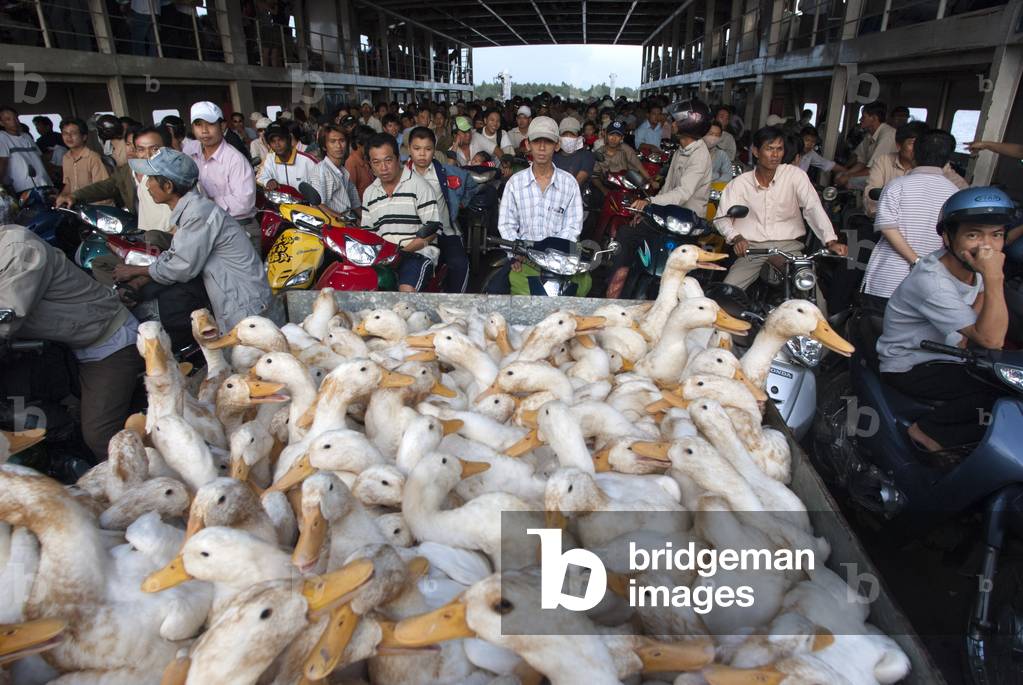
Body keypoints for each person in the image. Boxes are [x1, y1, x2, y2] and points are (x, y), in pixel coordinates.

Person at [877, 187, 1014, 452]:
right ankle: (927, 433)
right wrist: (995, 277)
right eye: (973, 234)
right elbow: (992, 339)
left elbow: (980, 299)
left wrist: (967, 330)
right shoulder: (933, 281)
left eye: (996, 235)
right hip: (910, 363)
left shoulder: (972, 267)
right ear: (948, 238)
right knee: (998, 393)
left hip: (950, 352)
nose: (986, 247)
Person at [0, 220, 143, 461]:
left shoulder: (19, 249)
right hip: (65, 346)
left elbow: (8, 314)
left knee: (100, 436)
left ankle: (139, 491)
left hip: (107, 342)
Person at [111, 147, 270, 330]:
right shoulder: (192, 210)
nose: (147, 185)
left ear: (168, 186)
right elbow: (176, 255)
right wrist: (139, 277)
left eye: (152, 179)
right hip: (240, 301)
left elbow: (180, 267)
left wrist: (135, 271)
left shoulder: (198, 214)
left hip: (246, 307)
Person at [716, 125, 847, 290]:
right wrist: (737, 238)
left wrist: (830, 241)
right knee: (728, 292)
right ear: (756, 152)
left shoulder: (795, 175)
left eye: (779, 149)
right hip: (753, 249)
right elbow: (721, 219)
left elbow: (812, 207)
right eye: (769, 149)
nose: (775, 155)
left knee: (810, 293)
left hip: (789, 247)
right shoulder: (740, 184)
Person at [860, 130, 961, 305]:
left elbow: (888, 228)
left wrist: (916, 261)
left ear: (915, 154)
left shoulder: (897, 186)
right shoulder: (954, 193)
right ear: (947, 159)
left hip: (890, 277)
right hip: (933, 281)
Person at [497, 116, 587, 296]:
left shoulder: (569, 183)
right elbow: (506, 225)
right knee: (503, 291)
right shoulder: (515, 183)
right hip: (524, 259)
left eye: (548, 141)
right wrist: (515, 253)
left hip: (559, 259)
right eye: (537, 141)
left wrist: (552, 255)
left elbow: (573, 227)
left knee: (584, 284)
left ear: (557, 145)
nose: (542, 147)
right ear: (528, 144)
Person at [360, 133, 443, 292]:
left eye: (388, 160)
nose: (383, 168)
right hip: (383, 259)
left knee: (405, 294)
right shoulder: (369, 193)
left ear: (398, 158)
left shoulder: (419, 186)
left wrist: (402, 253)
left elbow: (432, 230)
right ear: (370, 164)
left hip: (417, 254)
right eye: (376, 162)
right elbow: (368, 233)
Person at [57, 125, 173, 233]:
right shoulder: (126, 171)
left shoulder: (170, 172)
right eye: (128, 144)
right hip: (145, 232)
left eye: (153, 148)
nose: (131, 149)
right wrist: (75, 196)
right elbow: (106, 186)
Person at [407, 126, 474, 293]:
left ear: (434, 150)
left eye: (428, 149)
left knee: (460, 265)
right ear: (409, 149)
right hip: (413, 236)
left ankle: (456, 307)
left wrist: (460, 204)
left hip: (445, 232)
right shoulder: (402, 175)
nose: (422, 154)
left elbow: (471, 185)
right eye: (417, 149)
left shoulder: (445, 173)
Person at [182, 101, 258, 241]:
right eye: (198, 124)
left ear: (222, 126)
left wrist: (206, 202)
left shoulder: (235, 159)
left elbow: (244, 204)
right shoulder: (190, 152)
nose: (204, 130)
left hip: (238, 228)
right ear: (192, 128)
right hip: (206, 228)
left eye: (210, 124)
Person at [864, 122, 967, 216]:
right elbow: (871, 194)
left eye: (921, 144)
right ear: (899, 145)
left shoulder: (938, 165)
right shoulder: (884, 161)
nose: (917, 149)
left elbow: (962, 189)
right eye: (912, 143)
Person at [630, 100, 713, 216]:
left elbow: (683, 193)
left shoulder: (699, 156)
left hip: (687, 220)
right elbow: (668, 186)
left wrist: (650, 201)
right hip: (670, 213)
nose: (672, 124)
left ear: (690, 124)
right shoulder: (681, 149)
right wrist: (650, 208)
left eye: (676, 121)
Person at [836, 102, 897, 188]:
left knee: (850, 181)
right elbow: (862, 162)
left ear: (874, 118)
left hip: (887, 179)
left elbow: (873, 169)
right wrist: (846, 173)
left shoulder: (888, 135)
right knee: (840, 176)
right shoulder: (869, 135)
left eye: (863, 117)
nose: (860, 120)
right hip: (874, 173)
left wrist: (848, 176)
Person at [312, 124, 361, 220]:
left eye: (342, 141)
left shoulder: (343, 171)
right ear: (324, 147)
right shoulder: (321, 171)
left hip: (348, 222)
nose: (338, 146)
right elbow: (317, 205)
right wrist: (344, 219)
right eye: (332, 141)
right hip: (335, 226)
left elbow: (355, 204)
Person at [0, 105, 52, 194]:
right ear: (1, 123)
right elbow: (2, 162)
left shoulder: (26, 137)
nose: (14, 121)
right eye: (8, 119)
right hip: (23, 189)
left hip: (45, 183)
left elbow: (41, 159)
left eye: (15, 118)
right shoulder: (2, 137)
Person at [592, 120, 653, 192]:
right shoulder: (599, 153)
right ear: (605, 135)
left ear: (622, 138)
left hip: (626, 187)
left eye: (618, 136)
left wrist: (651, 182)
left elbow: (640, 167)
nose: (614, 139)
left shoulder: (626, 150)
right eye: (611, 135)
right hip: (606, 187)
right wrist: (604, 191)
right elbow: (594, 177)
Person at [256, 123, 319, 191]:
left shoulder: (307, 160)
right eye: (273, 141)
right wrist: (268, 181)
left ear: (289, 139)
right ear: (269, 144)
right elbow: (259, 177)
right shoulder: (269, 159)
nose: (277, 144)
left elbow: (320, 185)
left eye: (281, 139)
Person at [58, 118, 110, 200]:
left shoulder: (93, 157)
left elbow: (101, 187)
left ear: (84, 137)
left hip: (96, 206)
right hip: (77, 205)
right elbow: (68, 184)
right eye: (65, 133)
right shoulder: (66, 158)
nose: (68, 137)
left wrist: (75, 197)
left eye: (73, 133)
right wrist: (61, 197)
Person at [553, 117, 595, 189]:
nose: (568, 137)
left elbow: (577, 182)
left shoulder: (587, 156)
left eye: (572, 135)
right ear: (559, 137)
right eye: (565, 134)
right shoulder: (552, 157)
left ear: (579, 138)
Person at [345, 124, 376, 199]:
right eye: (369, 143)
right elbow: (351, 193)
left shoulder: (366, 158)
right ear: (358, 143)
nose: (372, 146)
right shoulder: (351, 162)